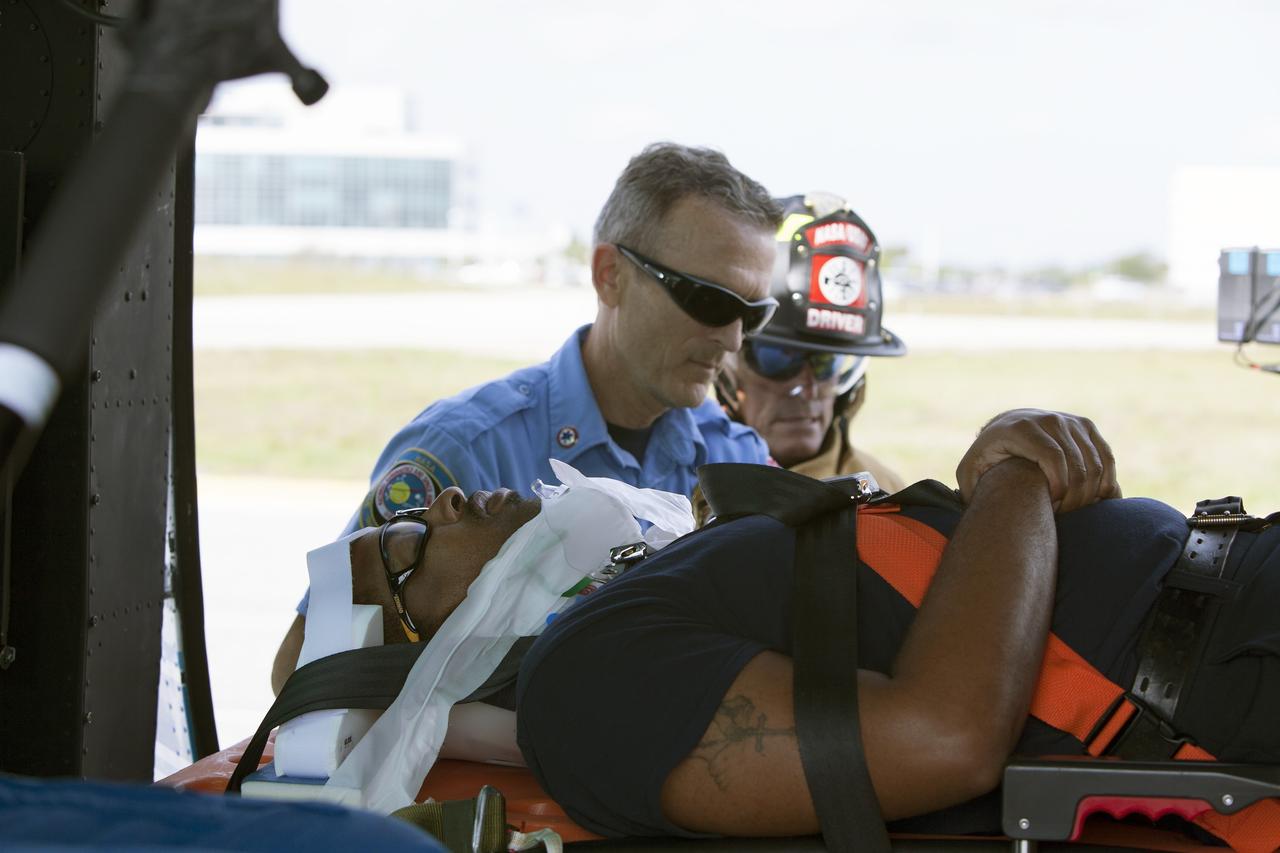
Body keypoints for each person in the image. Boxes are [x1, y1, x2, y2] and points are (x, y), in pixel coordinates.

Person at [317, 409, 1277, 844]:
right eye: (403, 548)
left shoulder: (643, 583)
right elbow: (939, 735)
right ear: (420, 650)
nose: (437, 504)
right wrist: (1017, 476)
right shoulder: (584, 683)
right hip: (1234, 660)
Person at [274, 142, 781, 690]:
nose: (732, 339)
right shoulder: (465, 452)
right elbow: (303, 674)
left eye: (753, 313)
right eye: (708, 301)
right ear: (610, 275)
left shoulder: (737, 461)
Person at [709, 193, 908, 510]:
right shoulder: (675, 485)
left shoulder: (890, 497)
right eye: (779, 359)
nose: (807, 389)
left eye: (826, 362)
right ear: (727, 366)